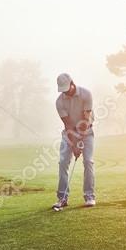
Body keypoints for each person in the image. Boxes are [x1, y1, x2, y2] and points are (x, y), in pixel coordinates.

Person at [52, 72, 95, 210]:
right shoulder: (59, 102)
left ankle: (89, 196)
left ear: (72, 83)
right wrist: (75, 145)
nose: (66, 92)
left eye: (67, 88)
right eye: (62, 90)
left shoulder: (86, 94)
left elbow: (86, 120)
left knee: (88, 161)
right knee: (63, 162)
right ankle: (62, 198)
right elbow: (68, 125)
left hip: (86, 131)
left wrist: (80, 142)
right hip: (69, 134)